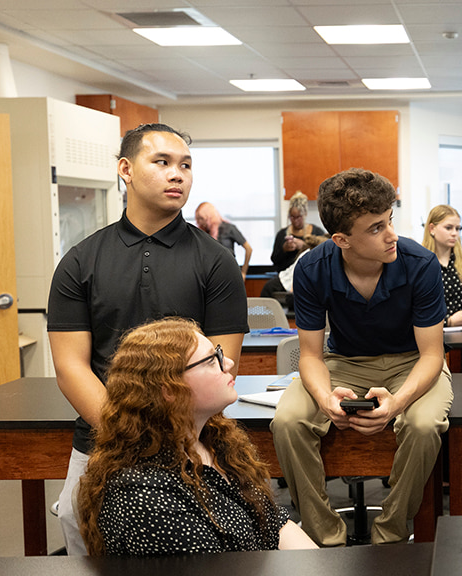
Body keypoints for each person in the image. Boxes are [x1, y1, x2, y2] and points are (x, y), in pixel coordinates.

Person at [47, 123, 249, 555]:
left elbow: (221, 363)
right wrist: (128, 436)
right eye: (162, 162)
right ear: (126, 169)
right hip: (103, 441)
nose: (178, 174)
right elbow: (71, 367)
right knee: (80, 527)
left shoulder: (216, 264)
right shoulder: (79, 262)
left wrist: (171, 443)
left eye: (186, 165)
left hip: (194, 442)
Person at [271, 167, 453, 546]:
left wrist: (397, 403)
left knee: (422, 425)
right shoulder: (311, 268)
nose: (391, 235)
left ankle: (390, 535)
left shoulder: (420, 264)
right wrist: (325, 400)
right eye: (375, 228)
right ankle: (325, 540)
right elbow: (310, 356)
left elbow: (433, 356)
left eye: (390, 220)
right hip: (343, 363)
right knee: (287, 421)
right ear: (341, 240)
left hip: (412, 362)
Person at [76, 318, 317, 555]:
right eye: (212, 361)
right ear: (169, 389)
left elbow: (274, 523)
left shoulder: (216, 441)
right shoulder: (143, 494)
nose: (229, 363)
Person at [422, 204, 462, 327]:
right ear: (432, 229)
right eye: (448, 228)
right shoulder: (421, 261)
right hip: (433, 332)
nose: (454, 233)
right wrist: (448, 321)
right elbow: (417, 306)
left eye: (458, 228)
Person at [194, 202, 254, 278]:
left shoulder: (229, 228)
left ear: (209, 217)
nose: (199, 222)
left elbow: (248, 249)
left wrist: (243, 272)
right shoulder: (201, 234)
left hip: (229, 273)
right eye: (198, 219)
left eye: (201, 218)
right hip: (210, 275)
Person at [271, 191, 326, 272]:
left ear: (305, 214)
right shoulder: (282, 234)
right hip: (285, 277)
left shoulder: (317, 232)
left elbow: (323, 257)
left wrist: (304, 246)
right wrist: (284, 249)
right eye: (292, 217)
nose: (295, 221)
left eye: (298, 217)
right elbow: (274, 260)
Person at [259, 234, 328, 298]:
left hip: (280, 284)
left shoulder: (311, 253)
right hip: (277, 287)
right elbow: (298, 275)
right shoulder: (310, 255)